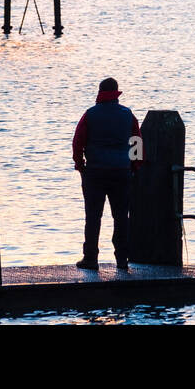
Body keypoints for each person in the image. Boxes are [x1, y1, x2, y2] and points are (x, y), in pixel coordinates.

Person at [72, 77, 142, 271]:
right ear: (117, 93)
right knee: (121, 217)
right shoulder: (128, 115)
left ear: (100, 92)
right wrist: (134, 166)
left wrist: (80, 165)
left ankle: (91, 259)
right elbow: (137, 142)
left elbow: (77, 142)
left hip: (95, 172)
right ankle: (122, 260)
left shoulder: (90, 115)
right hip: (121, 172)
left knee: (93, 217)